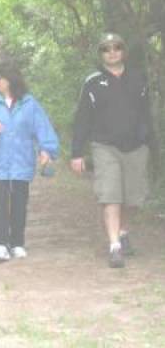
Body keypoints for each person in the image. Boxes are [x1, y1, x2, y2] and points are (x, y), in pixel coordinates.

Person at [71, 33, 153, 268]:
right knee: (110, 195)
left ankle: (123, 232)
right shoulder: (92, 82)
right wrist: (76, 153)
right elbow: (82, 119)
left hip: (136, 147)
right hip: (104, 146)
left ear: (123, 51)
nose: (112, 52)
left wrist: (149, 141)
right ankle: (114, 246)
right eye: (106, 49)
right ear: (101, 54)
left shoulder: (138, 78)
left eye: (116, 47)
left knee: (133, 198)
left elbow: (146, 113)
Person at [0, 61, 59, 262]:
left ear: (11, 79)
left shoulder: (29, 103)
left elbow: (42, 127)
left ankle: (17, 243)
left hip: (22, 161)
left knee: (20, 203)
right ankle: (0, 244)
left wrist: (46, 149)